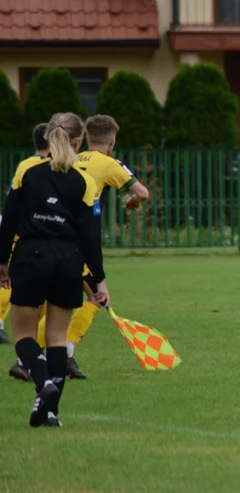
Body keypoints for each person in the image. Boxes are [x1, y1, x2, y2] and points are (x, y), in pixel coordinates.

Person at [0, 113, 111, 428]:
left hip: (31, 256)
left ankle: (42, 381)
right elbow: (90, 238)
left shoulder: (27, 170)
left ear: (49, 138)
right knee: (57, 338)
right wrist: (98, 280)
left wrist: (2, 259)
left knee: (23, 334)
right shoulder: (85, 181)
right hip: (68, 261)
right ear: (78, 141)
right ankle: (50, 413)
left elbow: (9, 219)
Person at [50, 114, 149, 379]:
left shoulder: (69, 159)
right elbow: (142, 192)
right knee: (96, 297)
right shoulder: (109, 163)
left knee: (53, 299)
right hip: (79, 242)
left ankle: (48, 355)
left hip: (50, 236)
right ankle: (59, 354)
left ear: (85, 139)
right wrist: (133, 203)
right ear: (112, 141)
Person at [4, 124, 50, 377]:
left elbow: (11, 204)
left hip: (24, 242)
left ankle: (30, 359)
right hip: (40, 243)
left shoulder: (24, 166)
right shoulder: (48, 167)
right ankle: (31, 362)